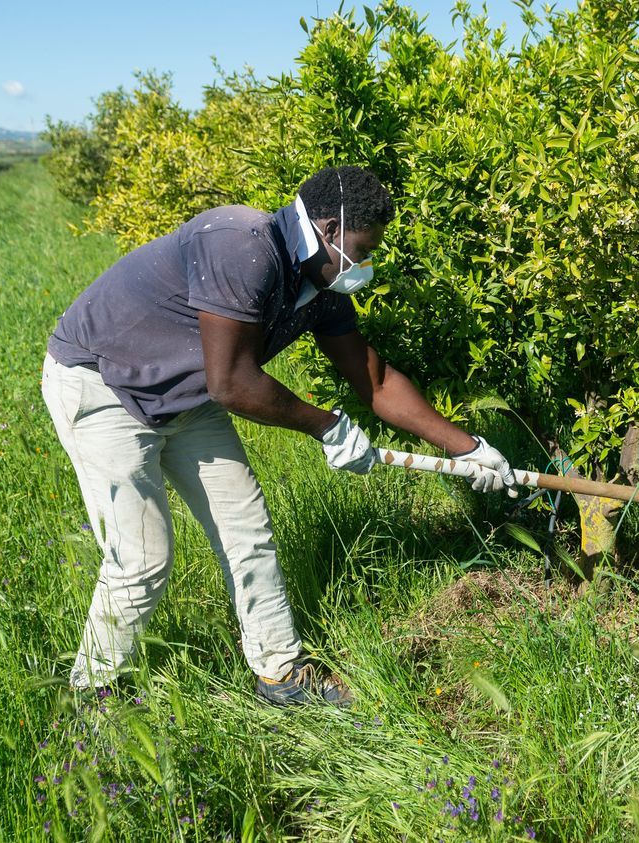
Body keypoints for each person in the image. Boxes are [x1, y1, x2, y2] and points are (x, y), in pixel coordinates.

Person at [40, 165, 517, 707]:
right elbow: (232, 383)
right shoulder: (240, 245)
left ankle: (280, 673)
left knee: (247, 529)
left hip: (187, 395)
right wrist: (329, 427)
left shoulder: (322, 282)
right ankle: (90, 696)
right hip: (104, 385)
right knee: (142, 556)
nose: (366, 264)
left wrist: (469, 447)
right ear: (330, 229)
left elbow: (376, 381)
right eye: (364, 248)